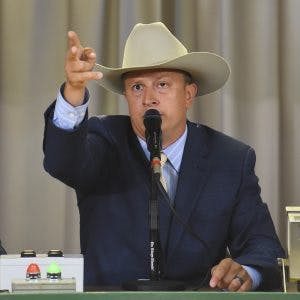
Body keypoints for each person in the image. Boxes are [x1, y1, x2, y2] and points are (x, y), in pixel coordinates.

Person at [43, 22, 285, 291]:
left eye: (162, 84)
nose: (149, 99)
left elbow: (263, 248)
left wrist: (246, 273)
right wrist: (73, 93)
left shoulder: (230, 159)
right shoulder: (104, 140)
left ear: (189, 94)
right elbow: (63, 161)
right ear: (126, 96)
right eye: (137, 87)